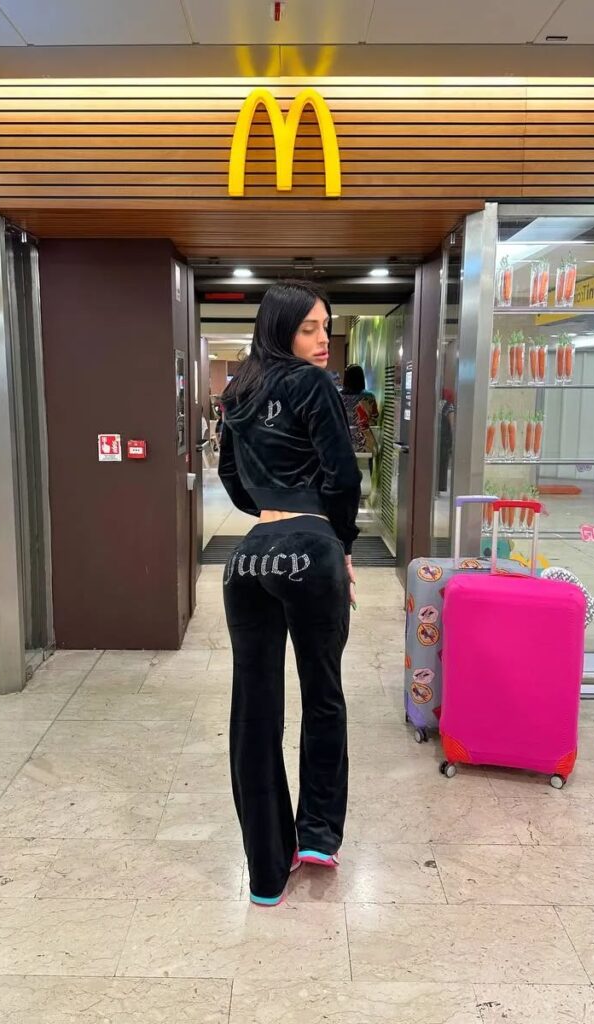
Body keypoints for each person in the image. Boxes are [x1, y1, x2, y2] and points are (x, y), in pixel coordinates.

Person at [219, 280, 361, 907]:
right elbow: (343, 475)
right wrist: (339, 542)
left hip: (247, 558)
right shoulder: (312, 384)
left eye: (325, 326)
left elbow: (230, 476)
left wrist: (270, 509)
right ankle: (318, 836)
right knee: (322, 694)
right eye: (309, 328)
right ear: (281, 330)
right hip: (311, 549)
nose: (322, 339)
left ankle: (266, 872)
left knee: (253, 711)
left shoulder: (238, 390)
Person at [340, 364, 379, 455]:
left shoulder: (338, 396)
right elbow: (375, 417)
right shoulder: (369, 397)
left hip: (343, 440)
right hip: (364, 442)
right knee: (365, 463)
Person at [438, 387, 455, 493]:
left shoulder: (437, 404)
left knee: (439, 463)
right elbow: (452, 425)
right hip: (445, 439)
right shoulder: (449, 406)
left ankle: (437, 486)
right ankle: (441, 486)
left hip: (439, 439)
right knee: (443, 464)